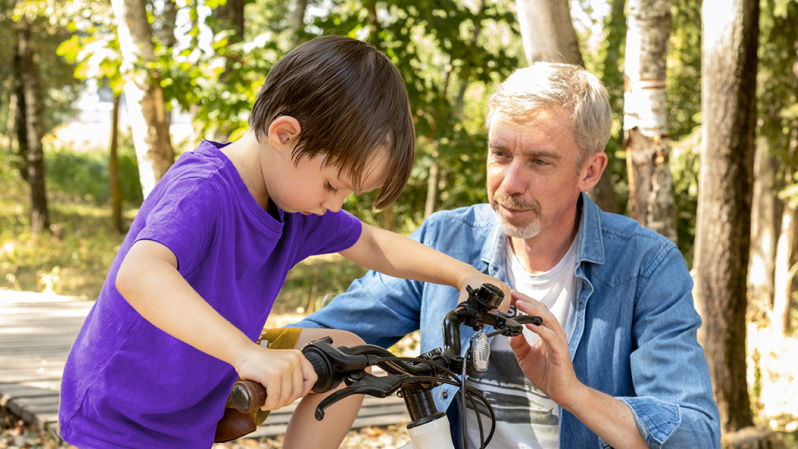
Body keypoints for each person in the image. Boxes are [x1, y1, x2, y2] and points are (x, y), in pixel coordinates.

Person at [58, 35, 509, 449]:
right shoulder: (204, 190)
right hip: (121, 415)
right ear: (284, 135)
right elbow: (139, 273)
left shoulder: (294, 205)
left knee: (346, 351)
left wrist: (463, 274)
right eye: (334, 185)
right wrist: (247, 355)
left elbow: (371, 244)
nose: (336, 204)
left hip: (187, 405)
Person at [291, 62, 721, 448]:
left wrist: (573, 393)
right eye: (500, 155)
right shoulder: (446, 241)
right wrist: (239, 355)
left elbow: (696, 435)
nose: (510, 183)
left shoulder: (647, 265)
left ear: (589, 171)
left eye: (539, 161)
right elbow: (332, 333)